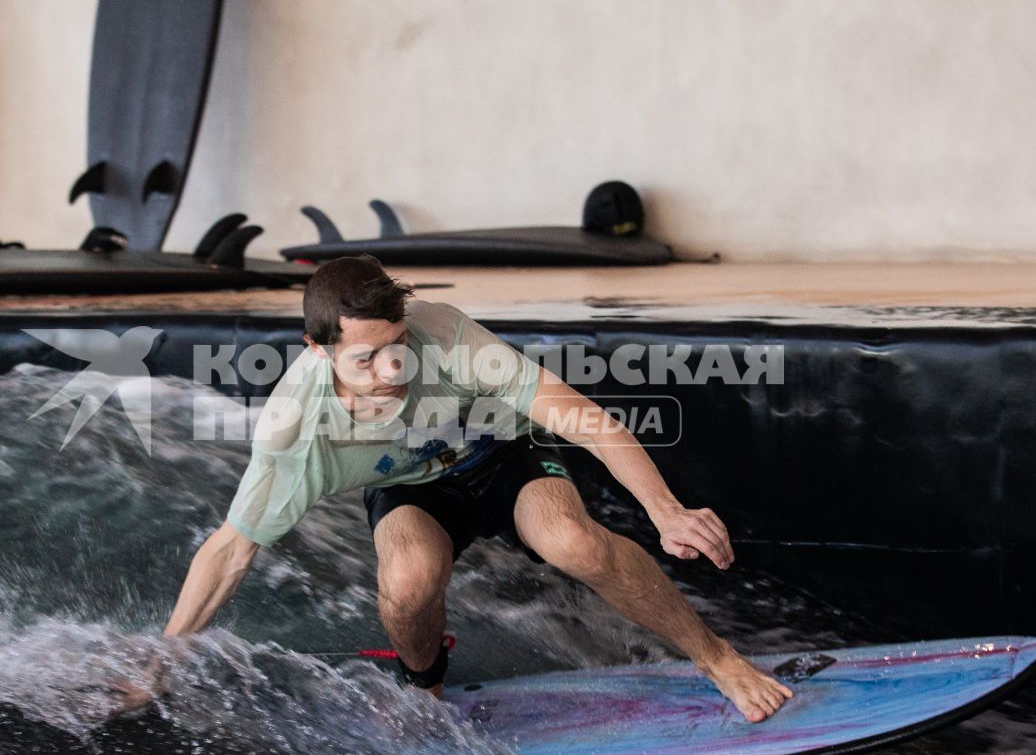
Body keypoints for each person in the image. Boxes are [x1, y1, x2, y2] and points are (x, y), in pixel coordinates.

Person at [149, 255, 792, 721]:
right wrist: (165, 664)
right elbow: (231, 550)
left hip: (501, 455)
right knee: (407, 584)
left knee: (577, 544)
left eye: (397, 346)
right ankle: (424, 690)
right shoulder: (296, 431)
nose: (391, 369)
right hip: (411, 490)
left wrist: (666, 510)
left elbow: (584, 419)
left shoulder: (446, 334)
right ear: (317, 351)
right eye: (365, 358)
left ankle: (719, 660)